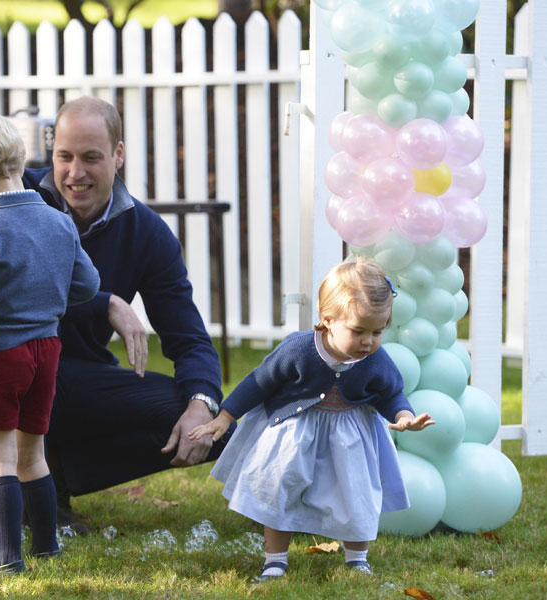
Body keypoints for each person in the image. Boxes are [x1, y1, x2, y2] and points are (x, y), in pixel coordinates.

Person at [22, 96, 234, 531]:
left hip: (85, 380)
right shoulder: (20, 200)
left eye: (91, 158)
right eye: (64, 157)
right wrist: (104, 302)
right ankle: (37, 489)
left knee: (216, 428)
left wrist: (202, 403)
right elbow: (17, 289)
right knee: (33, 374)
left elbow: (188, 337)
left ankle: (61, 471)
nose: (74, 173)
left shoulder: (146, 232)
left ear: (119, 154)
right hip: (19, 367)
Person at [189, 257, 435, 581]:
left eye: (378, 331)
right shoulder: (299, 348)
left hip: (350, 436)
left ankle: (357, 558)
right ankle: (274, 560)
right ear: (328, 319)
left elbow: (391, 393)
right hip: (295, 433)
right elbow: (259, 381)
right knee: (279, 489)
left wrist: (404, 416)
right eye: (359, 331)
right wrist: (225, 416)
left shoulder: (375, 358)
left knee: (356, 494)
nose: (369, 341)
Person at [0, 113, 99, 573]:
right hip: (47, 350)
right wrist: (46, 298)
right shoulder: (57, 220)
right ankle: (47, 545)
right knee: (34, 454)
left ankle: (9, 557)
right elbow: (88, 284)